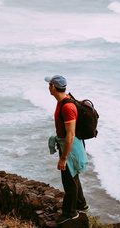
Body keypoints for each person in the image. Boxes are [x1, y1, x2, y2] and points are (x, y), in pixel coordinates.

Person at [45, 74, 89, 225]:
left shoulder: (67, 107)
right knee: (74, 176)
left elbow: (70, 135)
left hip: (70, 148)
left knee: (69, 182)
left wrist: (63, 158)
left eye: (49, 84)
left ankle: (70, 213)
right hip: (69, 146)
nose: (48, 87)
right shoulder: (63, 101)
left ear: (52, 87)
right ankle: (81, 204)